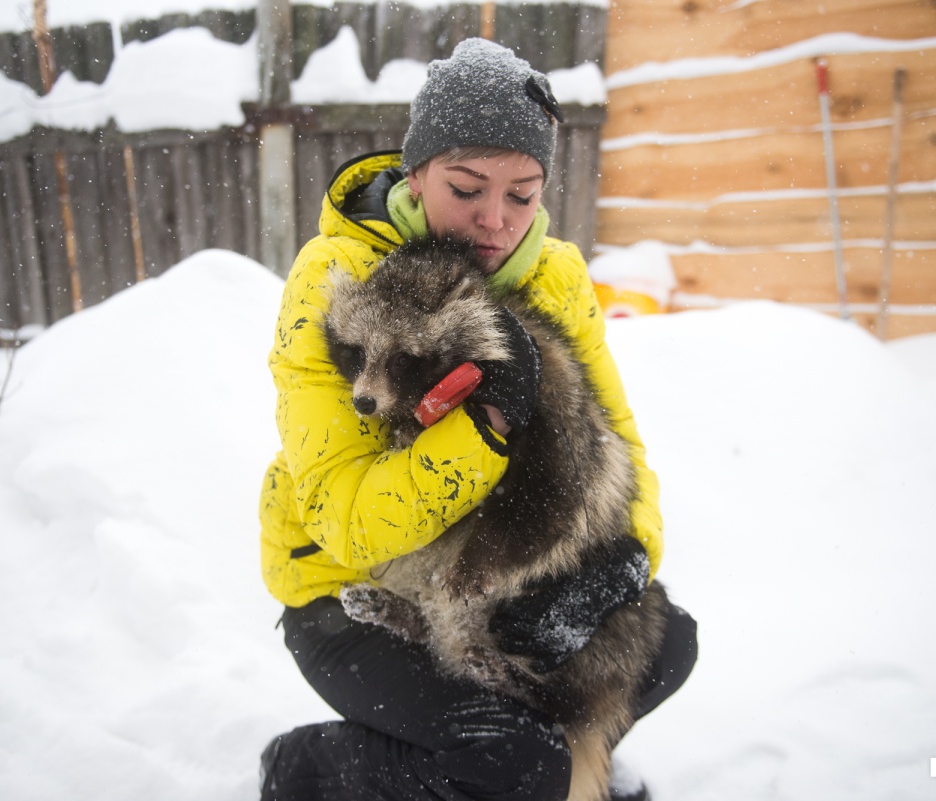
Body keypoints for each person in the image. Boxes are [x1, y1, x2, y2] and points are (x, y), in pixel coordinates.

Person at [257, 38, 697, 801]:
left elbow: (617, 443)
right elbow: (352, 523)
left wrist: (620, 565)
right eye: (466, 188)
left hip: (500, 562)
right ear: (418, 172)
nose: (495, 221)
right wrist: (488, 424)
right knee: (512, 759)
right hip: (347, 587)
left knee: (667, 642)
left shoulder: (556, 277)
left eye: (522, 194)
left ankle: (536, 766)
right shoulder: (342, 281)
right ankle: (314, 765)